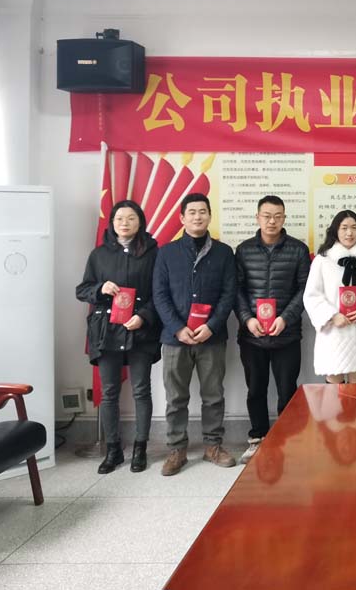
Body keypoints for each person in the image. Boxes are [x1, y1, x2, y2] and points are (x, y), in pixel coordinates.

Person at [153, 193, 237, 476]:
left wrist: (211, 325)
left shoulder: (224, 253)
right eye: (192, 212)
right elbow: (159, 294)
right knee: (176, 397)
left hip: (211, 337)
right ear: (182, 217)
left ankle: (213, 446)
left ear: (210, 216)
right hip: (174, 338)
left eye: (202, 211)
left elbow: (229, 293)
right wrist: (178, 328)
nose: (197, 216)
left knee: (213, 395)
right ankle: (177, 449)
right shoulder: (166, 252)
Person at [75, 199, 162, 474]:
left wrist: (144, 316)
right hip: (107, 330)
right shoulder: (99, 255)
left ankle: (140, 447)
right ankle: (113, 449)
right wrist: (100, 288)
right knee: (110, 392)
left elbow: (161, 292)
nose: (125, 223)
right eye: (119, 219)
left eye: (131, 218)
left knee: (141, 389)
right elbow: (82, 290)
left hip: (140, 329)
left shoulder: (153, 252)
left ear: (140, 222)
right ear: (112, 223)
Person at [233, 195, 310, 464]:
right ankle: (258, 438)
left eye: (277, 216)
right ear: (257, 217)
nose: (272, 221)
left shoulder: (298, 250)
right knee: (255, 389)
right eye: (266, 216)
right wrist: (247, 319)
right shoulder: (243, 250)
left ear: (284, 218)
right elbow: (237, 290)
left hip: (286, 335)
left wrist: (285, 318)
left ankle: (287, 439)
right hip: (252, 336)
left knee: (287, 390)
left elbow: (304, 289)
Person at [304, 210, 356, 384]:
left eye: (354, 228)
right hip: (333, 330)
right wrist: (332, 316)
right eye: (344, 228)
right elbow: (312, 295)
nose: (349, 233)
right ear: (335, 231)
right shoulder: (322, 260)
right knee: (334, 382)